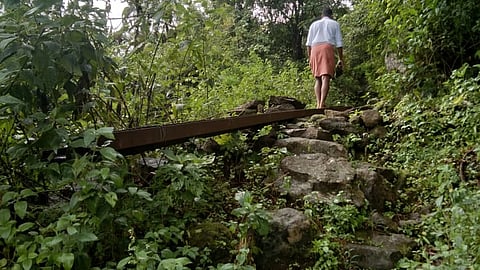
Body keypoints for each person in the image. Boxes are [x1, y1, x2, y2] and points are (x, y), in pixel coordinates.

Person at [305, 7, 344, 109]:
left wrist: (310, 58)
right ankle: (322, 103)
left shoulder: (313, 25)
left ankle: (318, 103)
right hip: (327, 48)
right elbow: (339, 44)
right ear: (331, 15)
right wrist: (341, 59)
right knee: (325, 77)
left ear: (322, 15)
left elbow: (308, 44)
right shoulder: (334, 24)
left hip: (314, 49)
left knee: (317, 78)